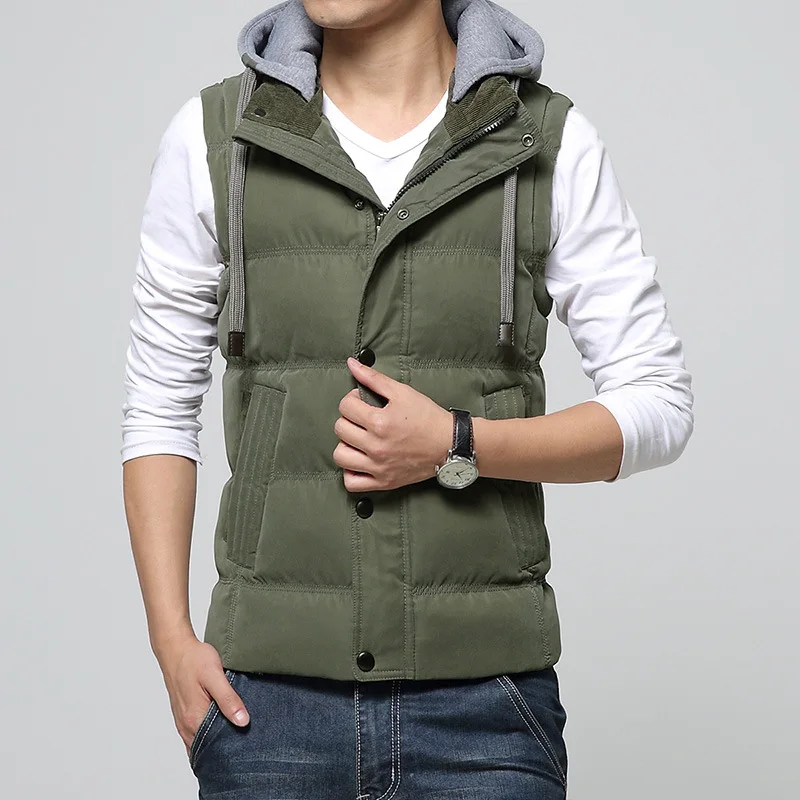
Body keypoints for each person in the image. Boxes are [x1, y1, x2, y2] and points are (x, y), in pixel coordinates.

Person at [121, 0, 694, 797]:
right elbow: (158, 402)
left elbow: (659, 402)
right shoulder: (218, 136)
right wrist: (171, 643)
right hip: (268, 709)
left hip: (485, 709)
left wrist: (459, 443)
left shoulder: (545, 139)